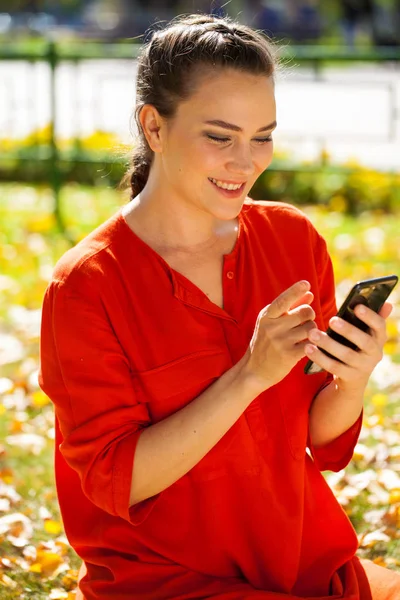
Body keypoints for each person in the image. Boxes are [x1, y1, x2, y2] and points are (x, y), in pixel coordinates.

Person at [38, 13, 400, 600]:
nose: (247, 161)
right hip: (166, 580)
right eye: (219, 135)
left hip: (302, 562)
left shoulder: (292, 241)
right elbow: (120, 482)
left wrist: (353, 379)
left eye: (262, 136)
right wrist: (249, 376)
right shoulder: (87, 284)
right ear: (154, 127)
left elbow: (317, 436)